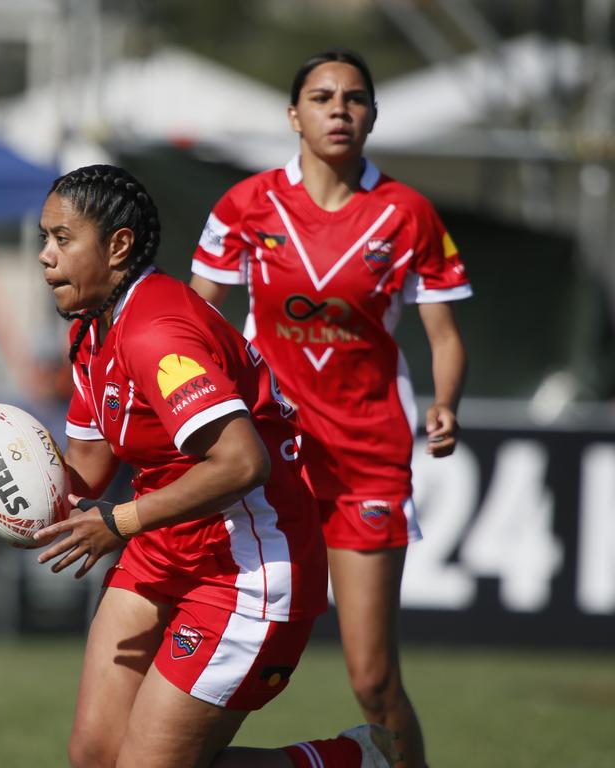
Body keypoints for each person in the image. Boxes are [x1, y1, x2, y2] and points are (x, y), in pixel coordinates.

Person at [0, 164, 400, 767]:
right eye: (44, 239)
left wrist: (120, 523)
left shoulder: (156, 331)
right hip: (163, 545)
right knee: (96, 757)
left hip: (249, 570)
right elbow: (83, 470)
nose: (45, 257)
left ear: (119, 245)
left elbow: (241, 463)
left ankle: (345, 762)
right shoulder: (93, 331)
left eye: (63, 239)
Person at [189, 49, 472, 768]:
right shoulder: (245, 205)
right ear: (294, 115)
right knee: (227, 658)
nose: (339, 109)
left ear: (373, 116)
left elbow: (444, 335)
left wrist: (445, 403)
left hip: (368, 462)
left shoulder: (408, 214)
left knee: (374, 680)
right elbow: (191, 323)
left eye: (354, 98)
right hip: (267, 456)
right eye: (321, 97)